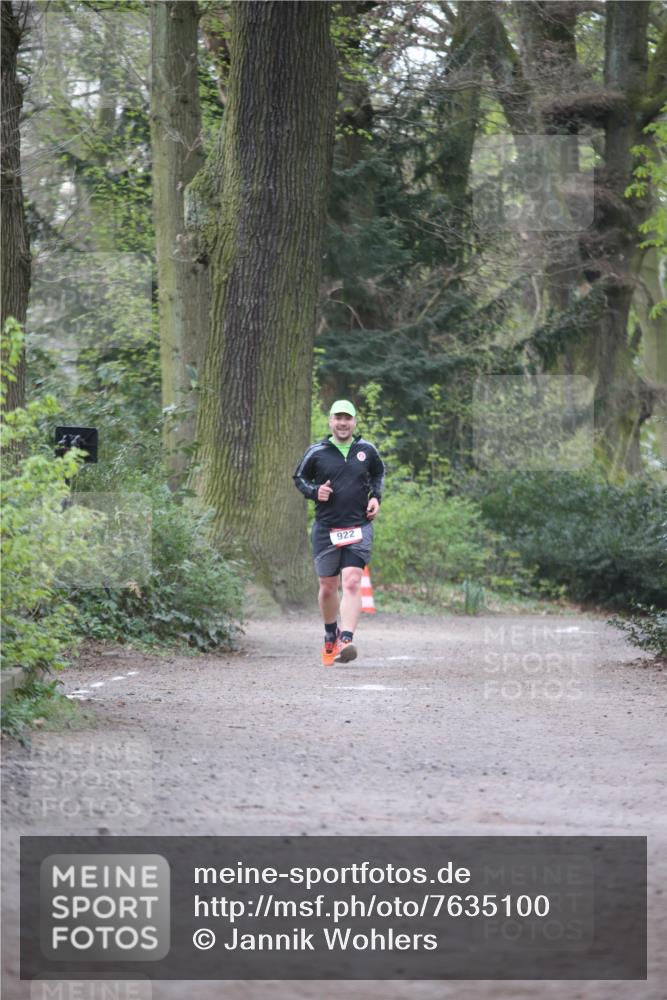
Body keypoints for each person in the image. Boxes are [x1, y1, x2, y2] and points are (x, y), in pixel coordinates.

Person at [293, 400, 385, 666]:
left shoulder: (367, 450)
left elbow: (379, 472)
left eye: (348, 418)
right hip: (326, 528)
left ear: (355, 421)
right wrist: (314, 492)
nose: (343, 423)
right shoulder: (317, 451)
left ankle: (346, 639)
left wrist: (375, 497)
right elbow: (299, 478)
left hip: (359, 525)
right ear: (330, 422)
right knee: (327, 587)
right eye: (338, 418)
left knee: (353, 582)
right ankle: (330, 634)